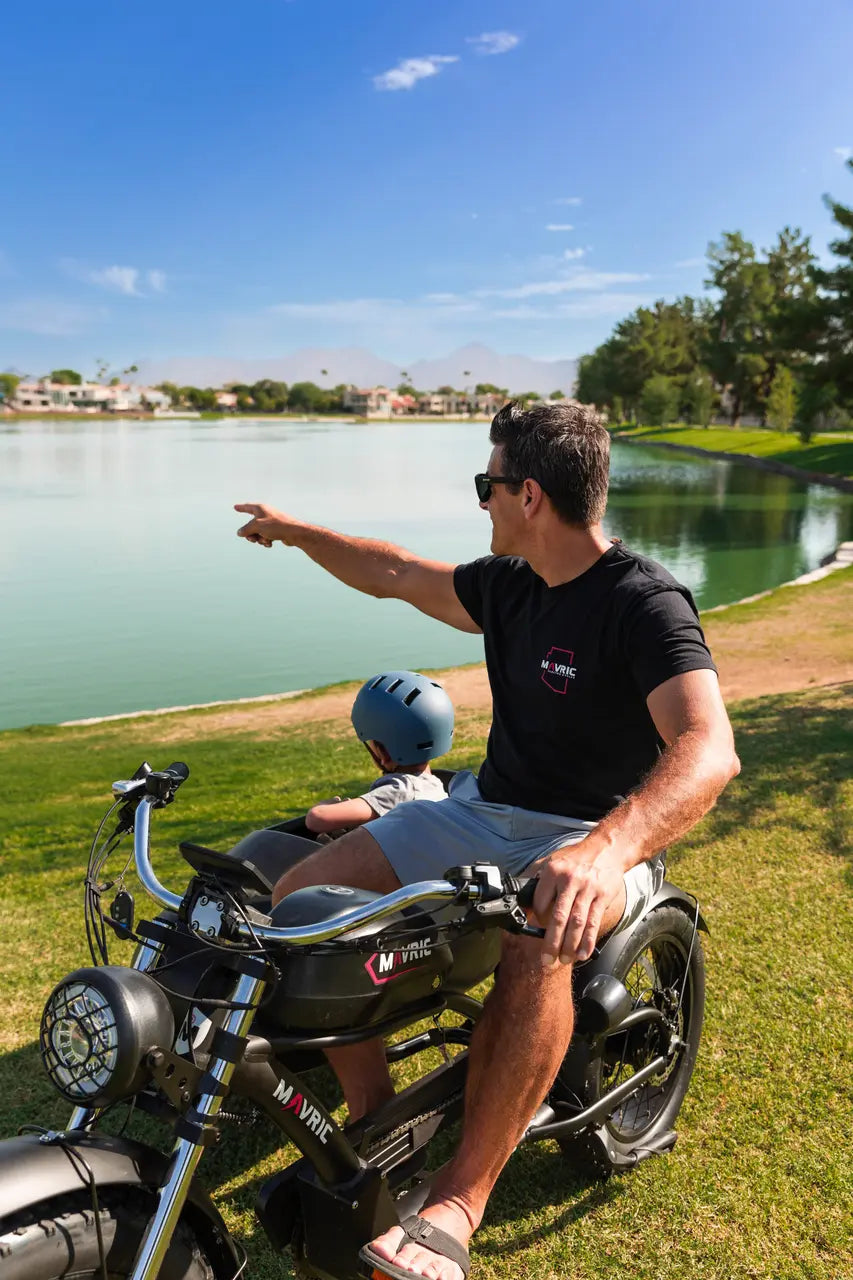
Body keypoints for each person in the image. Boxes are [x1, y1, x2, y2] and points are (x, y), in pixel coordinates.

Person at [234, 400, 740, 1280]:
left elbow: (708, 749)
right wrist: (292, 530)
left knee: (537, 937)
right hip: (476, 809)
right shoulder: (508, 587)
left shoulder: (642, 602)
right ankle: (376, 1116)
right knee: (302, 902)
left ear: (530, 496)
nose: (482, 504)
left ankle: (459, 1202)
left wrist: (604, 851)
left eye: (487, 485)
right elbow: (391, 569)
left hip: (591, 834)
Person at [305, 670, 453, 838]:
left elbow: (317, 819)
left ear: (384, 754)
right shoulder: (436, 785)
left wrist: (326, 805)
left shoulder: (401, 790)